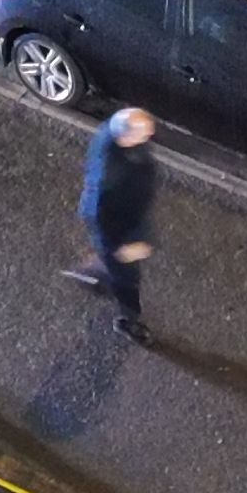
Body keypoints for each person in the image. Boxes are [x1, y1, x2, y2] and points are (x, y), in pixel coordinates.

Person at [66, 107, 159, 341]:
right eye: (143, 135)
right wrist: (121, 248)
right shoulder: (109, 175)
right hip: (120, 233)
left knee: (117, 268)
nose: (147, 138)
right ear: (126, 138)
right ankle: (128, 320)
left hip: (126, 219)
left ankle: (100, 268)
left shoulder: (114, 131)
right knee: (127, 280)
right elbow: (99, 214)